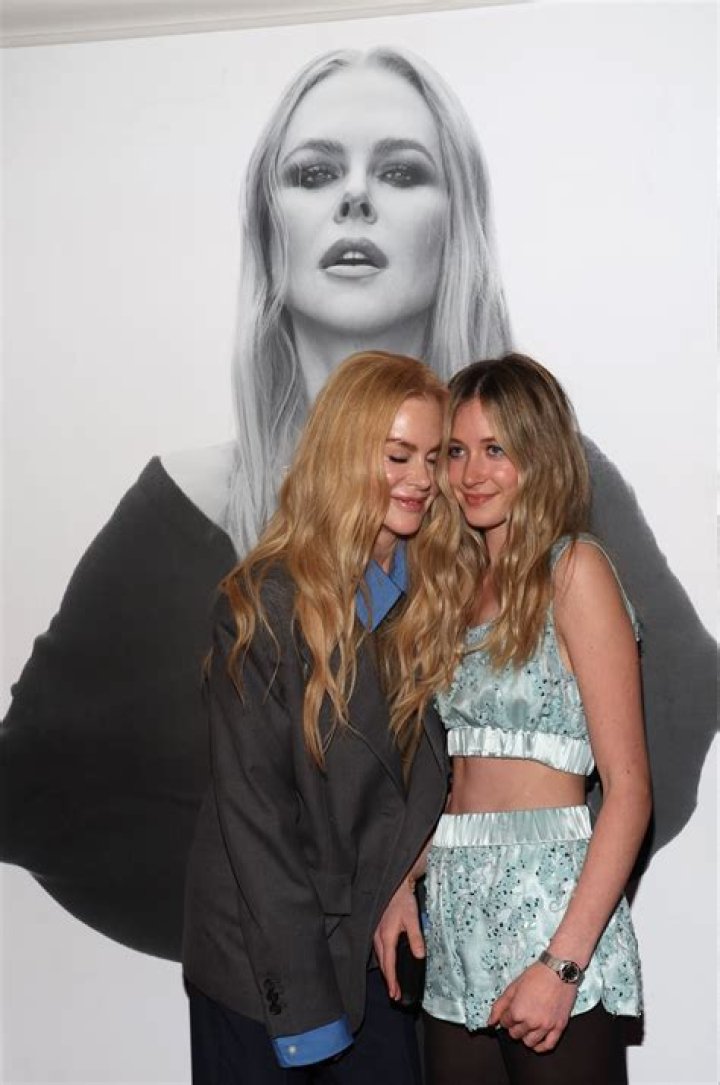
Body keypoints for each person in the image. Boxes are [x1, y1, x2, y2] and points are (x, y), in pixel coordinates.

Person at [1, 45, 713, 964]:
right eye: (314, 172)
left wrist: (539, 914)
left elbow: (675, 717)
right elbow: (35, 786)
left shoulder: (559, 483)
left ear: (458, 224)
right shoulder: (183, 506)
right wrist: (280, 915)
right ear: (269, 228)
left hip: (490, 960)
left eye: (402, 171)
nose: (355, 198)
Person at [182, 350, 463, 1083]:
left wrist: (405, 879)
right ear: (343, 456)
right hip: (262, 961)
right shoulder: (262, 605)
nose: (422, 479)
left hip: (374, 942)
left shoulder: (433, 597)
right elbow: (259, 828)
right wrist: (308, 1016)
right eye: (398, 455)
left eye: (434, 457)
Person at [376, 354, 651, 1085]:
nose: (471, 472)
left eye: (495, 448)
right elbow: (461, 786)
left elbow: (628, 791)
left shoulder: (575, 570)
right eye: (456, 451)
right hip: (455, 912)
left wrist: (563, 963)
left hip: (551, 907)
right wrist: (404, 879)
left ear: (539, 455)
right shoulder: (452, 589)